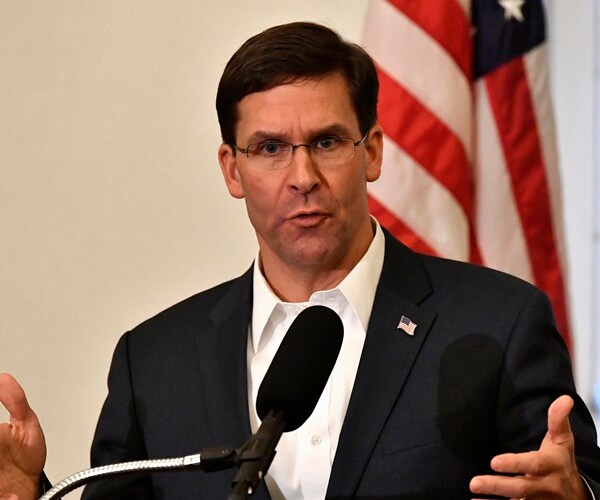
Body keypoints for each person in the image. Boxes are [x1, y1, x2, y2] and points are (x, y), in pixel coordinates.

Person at [1, 21, 600, 499]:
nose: (303, 178)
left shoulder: (498, 324)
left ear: (373, 153)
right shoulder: (154, 361)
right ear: (231, 170)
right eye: (269, 149)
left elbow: (573, 483)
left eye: (327, 142)